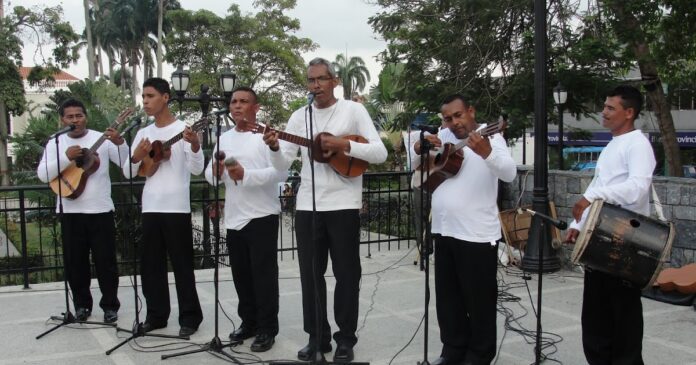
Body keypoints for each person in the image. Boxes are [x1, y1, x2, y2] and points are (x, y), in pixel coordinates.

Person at [263, 57, 387, 362]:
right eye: (311, 80)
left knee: (347, 274)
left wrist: (344, 145)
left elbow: (380, 152)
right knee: (310, 275)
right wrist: (275, 147)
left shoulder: (353, 110)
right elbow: (281, 165)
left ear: (335, 81)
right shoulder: (298, 117)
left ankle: (345, 339)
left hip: (344, 206)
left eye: (321, 79)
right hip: (308, 206)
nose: (315, 85)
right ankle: (316, 337)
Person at [413, 94, 516, 364]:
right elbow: (417, 168)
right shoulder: (444, 137)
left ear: (471, 111)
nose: (453, 123)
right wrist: (421, 147)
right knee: (448, 302)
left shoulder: (493, 138)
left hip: (477, 235)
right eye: (448, 118)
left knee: (479, 302)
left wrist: (487, 153)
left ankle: (479, 355)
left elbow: (509, 173)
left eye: (458, 115)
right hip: (445, 231)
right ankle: (453, 351)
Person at [565, 85, 655, 365]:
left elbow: (637, 188)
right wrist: (577, 225)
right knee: (596, 320)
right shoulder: (613, 145)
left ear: (629, 113)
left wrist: (592, 196)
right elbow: (600, 184)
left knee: (622, 321)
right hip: (601, 242)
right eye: (604, 107)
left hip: (626, 243)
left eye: (610, 108)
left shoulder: (638, 143)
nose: (603, 113)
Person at [204, 87, 284, 352]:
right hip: (235, 217)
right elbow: (208, 174)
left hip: (261, 215)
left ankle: (266, 328)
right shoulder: (223, 137)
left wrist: (245, 175)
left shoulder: (266, 136)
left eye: (243, 102)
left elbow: (280, 173)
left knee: (263, 277)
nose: (237, 106)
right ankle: (248, 322)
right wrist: (215, 172)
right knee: (241, 275)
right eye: (234, 101)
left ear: (256, 107)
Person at [37, 99, 131, 323]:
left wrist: (120, 142)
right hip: (70, 212)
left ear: (85, 117)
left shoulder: (103, 139)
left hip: (100, 211)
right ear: (62, 120)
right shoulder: (56, 143)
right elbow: (42, 175)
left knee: (105, 262)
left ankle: (110, 306)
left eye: (78, 116)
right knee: (75, 263)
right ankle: (81, 306)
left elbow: (127, 165)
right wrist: (66, 157)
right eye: (69, 117)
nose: (75, 120)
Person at [123, 77, 204, 337]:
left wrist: (194, 145)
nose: (145, 101)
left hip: (176, 207)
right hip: (150, 207)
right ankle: (156, 316)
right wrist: (137, 156)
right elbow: (128, 172)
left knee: (182, 265)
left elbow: (196, 168)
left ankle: (190, 318)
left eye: (150, 96)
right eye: (143, 97)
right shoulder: (143, 133)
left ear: (165, 97)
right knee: (151, 266)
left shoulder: (184, 129)